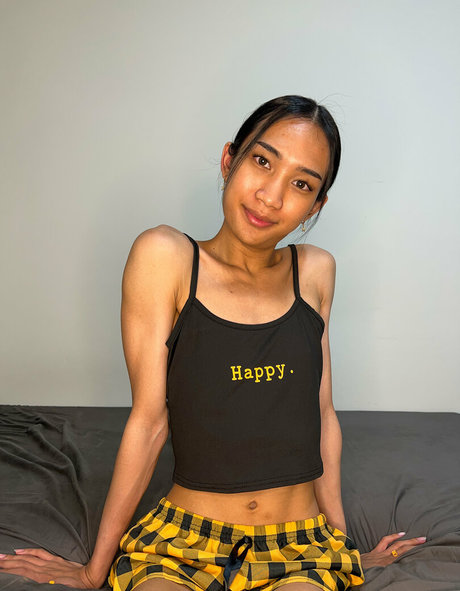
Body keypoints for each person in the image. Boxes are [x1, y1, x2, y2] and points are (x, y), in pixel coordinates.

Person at [0, 95, 427, 590]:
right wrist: (96, 570)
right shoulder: (166, 257)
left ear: (316, 205)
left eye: (301, 184)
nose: (271, 196)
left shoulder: (314, 271)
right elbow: (149, 420)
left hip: (301, 544)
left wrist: (344, 549)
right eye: (262, 161)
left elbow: (322, 413)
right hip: (182, 539)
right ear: (230, 159)